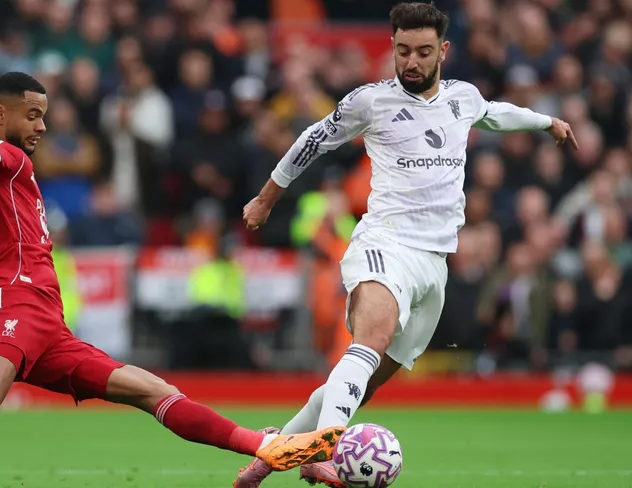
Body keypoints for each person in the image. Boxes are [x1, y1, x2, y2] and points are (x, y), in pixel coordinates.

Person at [0, 72, 341, 488]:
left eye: (44, 115)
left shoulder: (14, 166)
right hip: (7, 298)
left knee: (153, 390)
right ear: (0, 115)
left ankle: (263, 445)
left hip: (46, 322)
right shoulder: (1, 156)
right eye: (33, 115)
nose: (43, 126)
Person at [234, 3, 578, 487]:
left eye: (422, 52)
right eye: (402, 51)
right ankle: (327, 446)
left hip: (434, 264)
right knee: (369, 341)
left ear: (443, 50)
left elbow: (495, 114)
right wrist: (266, 198)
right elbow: (312, 139)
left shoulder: (462, 98)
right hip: (386, 243)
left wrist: (546, 122)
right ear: (392, 47)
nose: (411, 62)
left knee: (362, 383)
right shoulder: (370, 101)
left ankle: (266, 460)